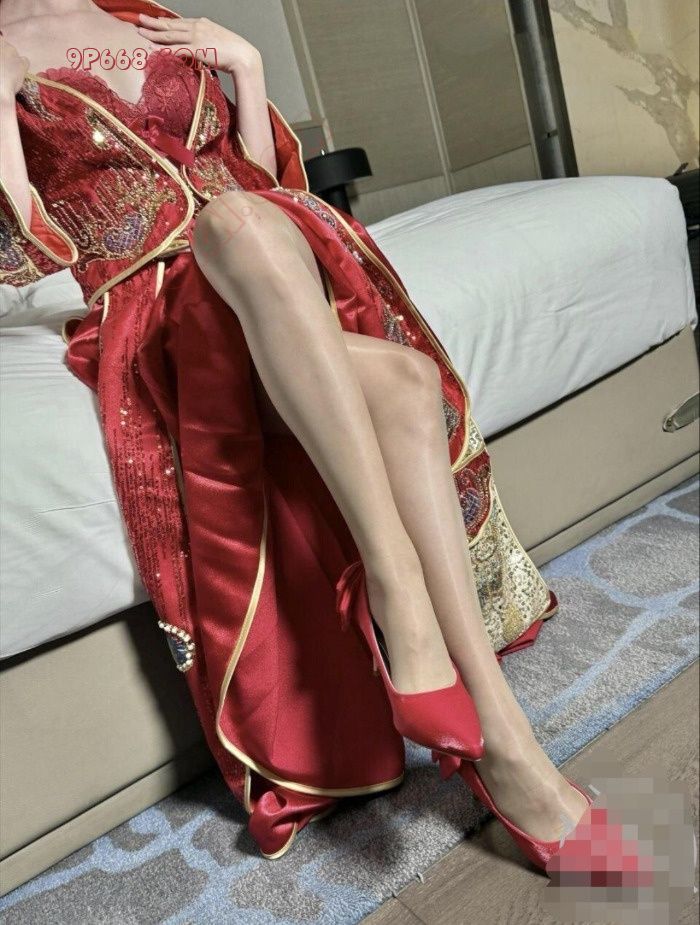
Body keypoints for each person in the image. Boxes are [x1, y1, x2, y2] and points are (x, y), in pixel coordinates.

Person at [0, 0, 598, 864]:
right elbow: (27, 247)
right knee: (247, 237)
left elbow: (259, 183)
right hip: (154, 301)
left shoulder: (148, 20)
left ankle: (508, 745)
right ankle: (398, 589)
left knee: (397, 370)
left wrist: (246, 68)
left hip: (267, 277)